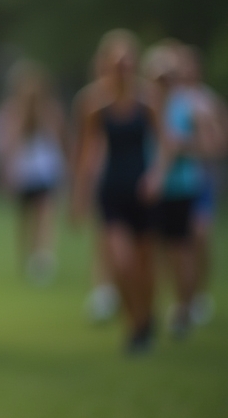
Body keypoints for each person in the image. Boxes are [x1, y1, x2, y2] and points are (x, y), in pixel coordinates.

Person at [73, 30, 159, 353]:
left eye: (127, 62)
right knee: (122, 263)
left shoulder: (147, 100)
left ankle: (147, 317)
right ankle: (134, 324)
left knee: (145, 265)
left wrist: (157, 176)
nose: (122, 69)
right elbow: (87, 152)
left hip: (143, 191)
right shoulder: (94, 103)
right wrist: (79, 196)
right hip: (112, 191)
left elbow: (164, 143)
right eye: (116, 63)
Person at [142, 41, 223, 338]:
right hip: (150, 189)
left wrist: (182, 145)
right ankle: (164, 306)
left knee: (184, 248)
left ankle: (185, 307)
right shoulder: (143, 105)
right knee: (157, 252)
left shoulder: (191, 105)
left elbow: (212, 146)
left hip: (183, 186)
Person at [0, 60, 66, 284]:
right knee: (25, 218)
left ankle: (43, 257)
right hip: (24, 172)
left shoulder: (50, 110)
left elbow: (58, 139)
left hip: (45, 171)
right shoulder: (13, 112)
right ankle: (27, 256)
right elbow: (9, 143)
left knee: (45, 213)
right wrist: (7, 172)